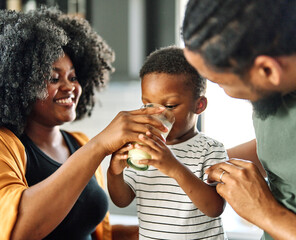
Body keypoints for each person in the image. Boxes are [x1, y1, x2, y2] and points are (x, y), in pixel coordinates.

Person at [0, 6, 170, 240]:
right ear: (20, 84)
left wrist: (155, 232)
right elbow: (17, 230)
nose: (69, 87)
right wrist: (100, 145)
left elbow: (88, 231)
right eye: (53, 78)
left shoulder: (79, 144)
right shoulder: (4, 146)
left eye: (73, 77)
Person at [182, 0, 296, 239]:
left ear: (267, 70)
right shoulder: (278, 86)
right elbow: (285, 147)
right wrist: (203, 162)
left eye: (219, 82)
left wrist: (265, 212)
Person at [107, 46, 228, 239]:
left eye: (170, 106)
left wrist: (173, 167)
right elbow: (122, 200)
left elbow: (214, 208)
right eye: (148, 105)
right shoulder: (142, 145)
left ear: (199, 105)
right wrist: (115, 172)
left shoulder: (211, 149)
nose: (157, 114)